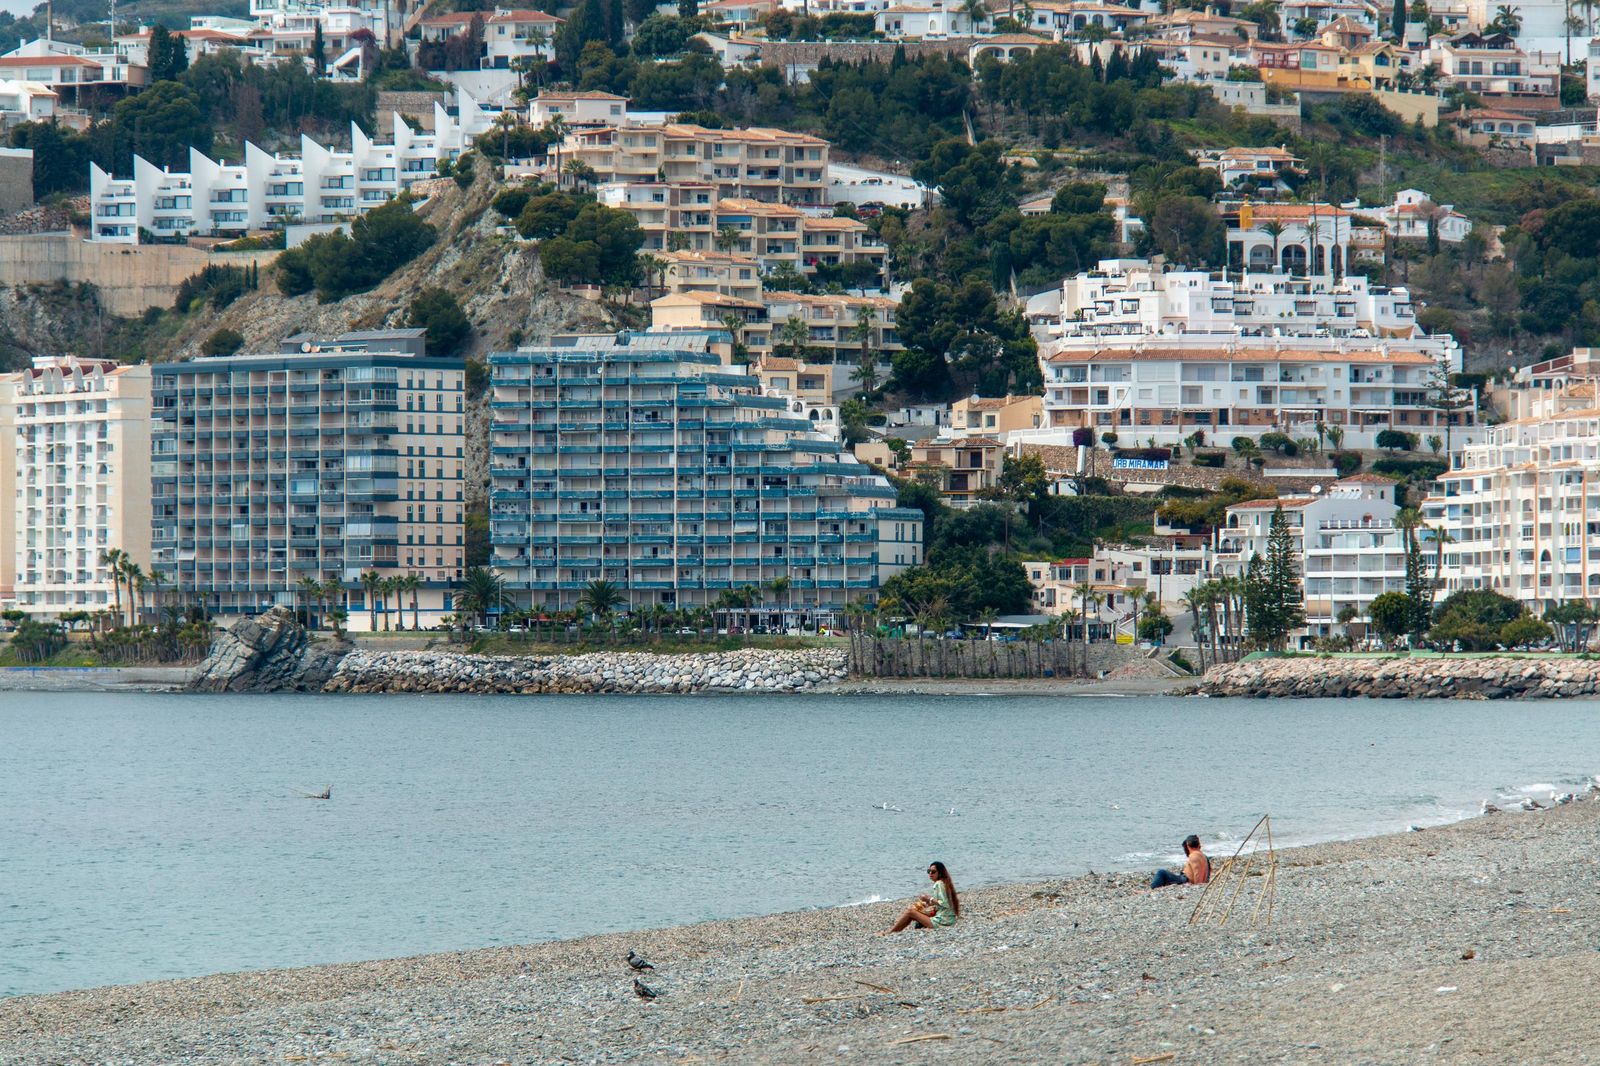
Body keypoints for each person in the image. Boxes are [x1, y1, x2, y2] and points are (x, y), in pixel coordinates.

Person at [884, 861, 960, 933]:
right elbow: (942, 904)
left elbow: (944, 903)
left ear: (940, 873)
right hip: (948, 920)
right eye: (929, 871)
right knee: (912, 912)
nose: (930, 873)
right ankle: (894, 932)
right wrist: (928, 903)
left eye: (933, 872)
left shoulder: (939, 884)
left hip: (943, 922)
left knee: (910, 911)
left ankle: (890, 932)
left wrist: (928, 898)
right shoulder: (944, 883)